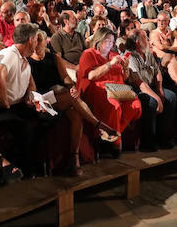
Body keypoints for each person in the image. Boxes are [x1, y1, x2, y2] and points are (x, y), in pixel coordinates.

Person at [27, 30, 119, 173]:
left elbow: (66, 78)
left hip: (59, 95)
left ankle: (73, 159)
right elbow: (32, 89)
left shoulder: (54, 58)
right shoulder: (27, 61)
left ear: (46, 42)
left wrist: (72, 87)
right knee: (71, 97)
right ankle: (99, 125)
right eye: (35, 41)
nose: (37, 44)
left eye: (40, 40)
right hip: (42, 99)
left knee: (76, 114)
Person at [0, 23, 42, 177]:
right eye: (36, 40)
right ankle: (23, 169)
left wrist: (29, 96)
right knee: (27, 125)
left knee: (48, 117)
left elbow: (31, 84)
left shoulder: (24, 59)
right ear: (30, 39)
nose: (37, 43)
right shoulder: (10, 54)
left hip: (15, 105)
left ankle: (33, 165)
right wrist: (5, 101)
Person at [77, 26, 142, 157]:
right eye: (107, 41)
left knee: (136, 105)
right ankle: (116, 143)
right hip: (98, 89)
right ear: (99, 40)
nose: (110, 44)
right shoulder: (89, 53)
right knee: (115, 106)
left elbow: (124, 77)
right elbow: (91, 76)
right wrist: (110, 64)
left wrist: (125, 68)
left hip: (117, 89)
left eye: (112, 42)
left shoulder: (114, 55)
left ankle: (112, 134)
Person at [124, 29, 177, 150]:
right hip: (137, 89)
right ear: (137, 42)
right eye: (145, 38)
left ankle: (163, 138)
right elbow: (139, 83)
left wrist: (160, 91)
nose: (148, 40)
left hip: (151, 86)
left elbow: (158, 73)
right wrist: (157, 98)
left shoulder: (147, 53)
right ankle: (147, 142)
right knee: (151, 102)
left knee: (171, 97)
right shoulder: (130, 56)